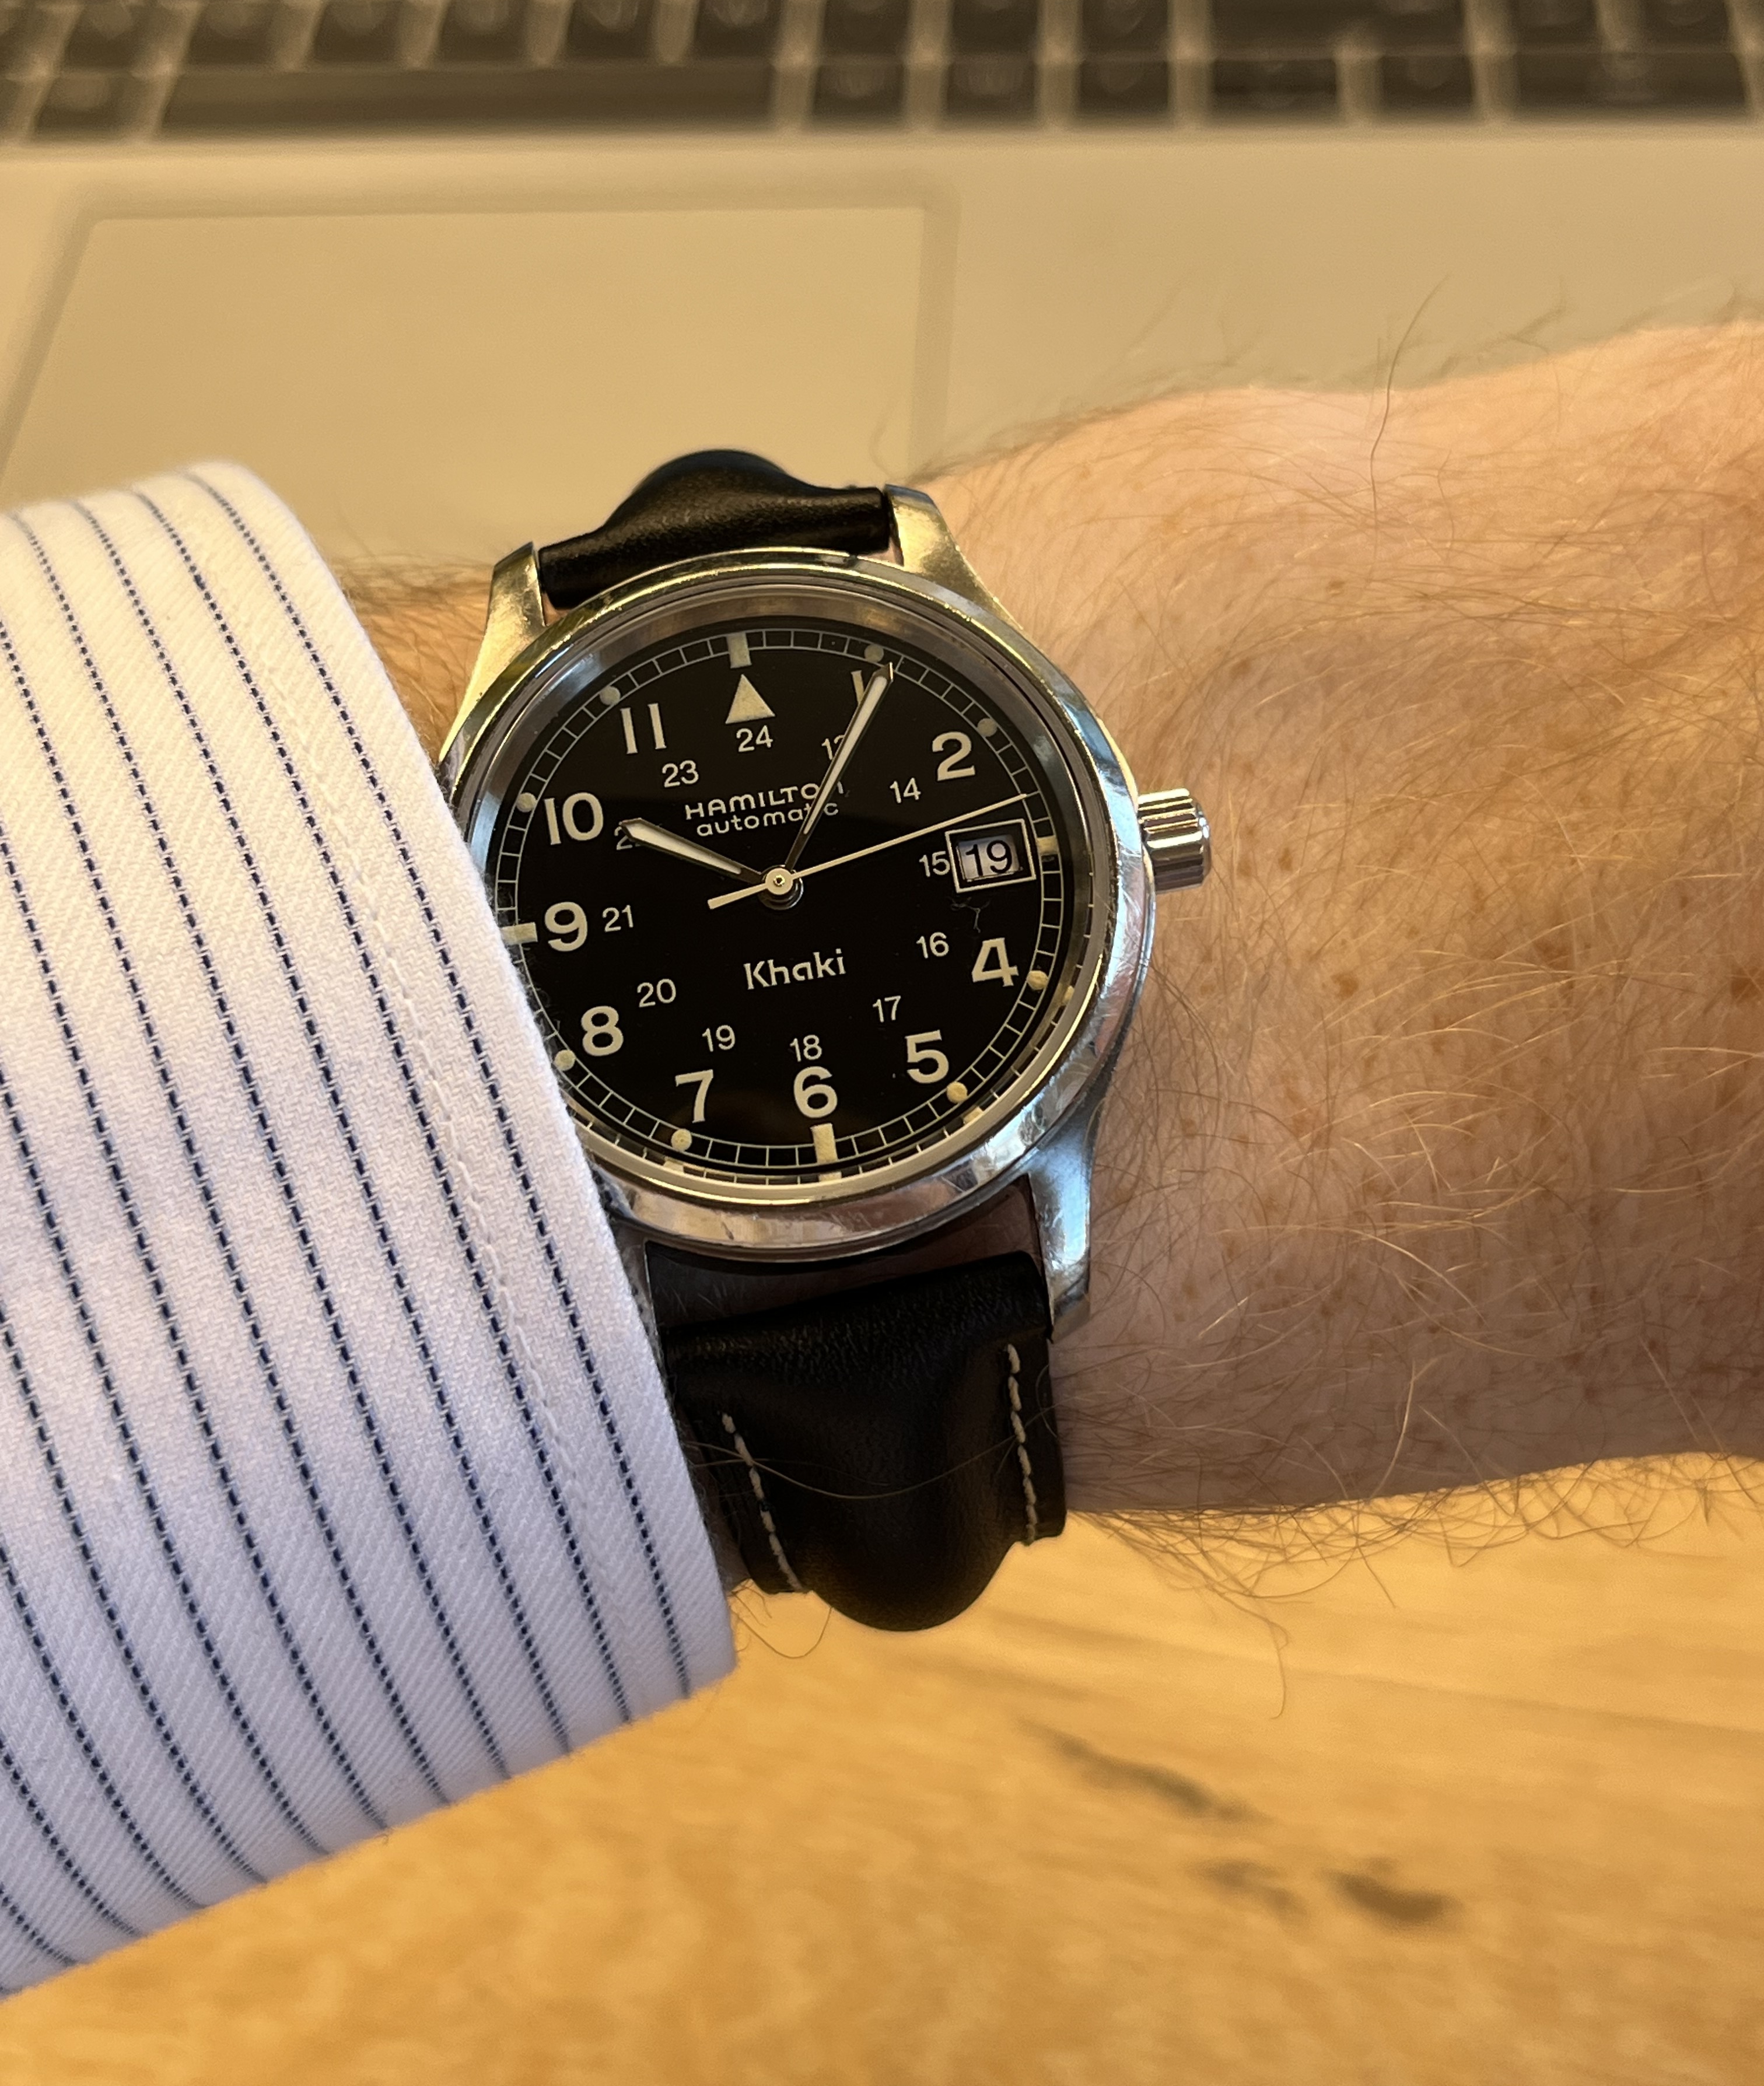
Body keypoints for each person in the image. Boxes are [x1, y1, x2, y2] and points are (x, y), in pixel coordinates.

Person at [1, 323, 1759, 1990]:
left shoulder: (1049, 1107)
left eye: (802, 869)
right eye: (749, 880)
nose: (776, 889)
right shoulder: (577, 841)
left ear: (1136, 845)